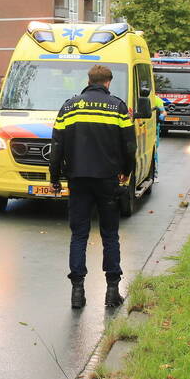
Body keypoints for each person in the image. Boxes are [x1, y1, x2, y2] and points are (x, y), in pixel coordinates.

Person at [49, 64, 136, 309]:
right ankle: (112, 291)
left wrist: (54, 177)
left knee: (79, 234)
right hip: (107, 179)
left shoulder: (69, 107)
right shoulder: (117, 107)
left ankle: (77, 292)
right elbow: (130, 145)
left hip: (78, 179)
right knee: (110, 234)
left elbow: (56, 146)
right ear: (108, 82)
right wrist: (126, 171)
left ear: (88, 81)